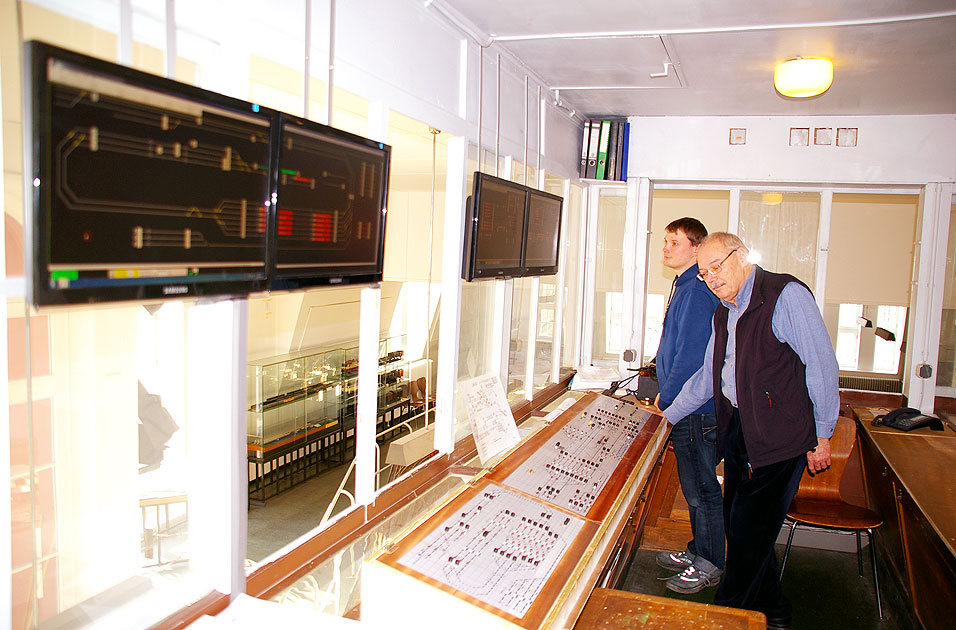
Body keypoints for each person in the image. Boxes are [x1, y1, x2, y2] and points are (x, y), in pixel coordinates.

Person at [663, 232, 838, 630]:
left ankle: (725, 617)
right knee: (744, 528)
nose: (711, 278)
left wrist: (823, 433)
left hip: (783, 435)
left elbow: (822, 365)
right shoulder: (724, 310)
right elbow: (709, 377)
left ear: (740, 255)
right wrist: (667, 418)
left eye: (717, 267)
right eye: (704, 273)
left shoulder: (785, 294)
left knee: (745, 534)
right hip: (741, 431)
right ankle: (775, 611)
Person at [652, 218, 724, 594]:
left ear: (696, 249)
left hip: (693, 409)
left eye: (674, 242)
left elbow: (692, 357)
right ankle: (698, 551)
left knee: (701, 490)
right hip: (686, 406)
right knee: (694, 486)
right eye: (665, 241)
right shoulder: (683, 286)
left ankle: (709, 564)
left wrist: (668, 398)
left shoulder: (696, 291)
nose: (666, 248)